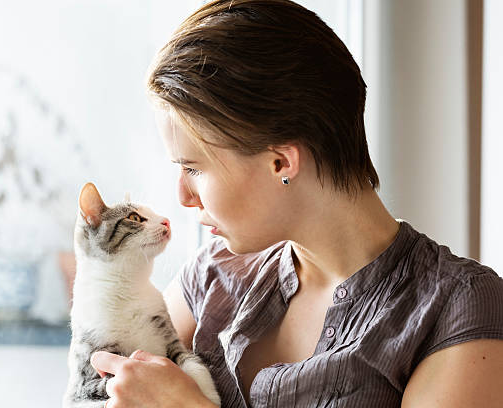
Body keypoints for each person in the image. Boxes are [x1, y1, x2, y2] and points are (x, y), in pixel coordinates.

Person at [90, 1, 503, 407]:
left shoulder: (457, 308)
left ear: (280, 162)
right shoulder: (212, 275)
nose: (182, 195)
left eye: (194, 168)